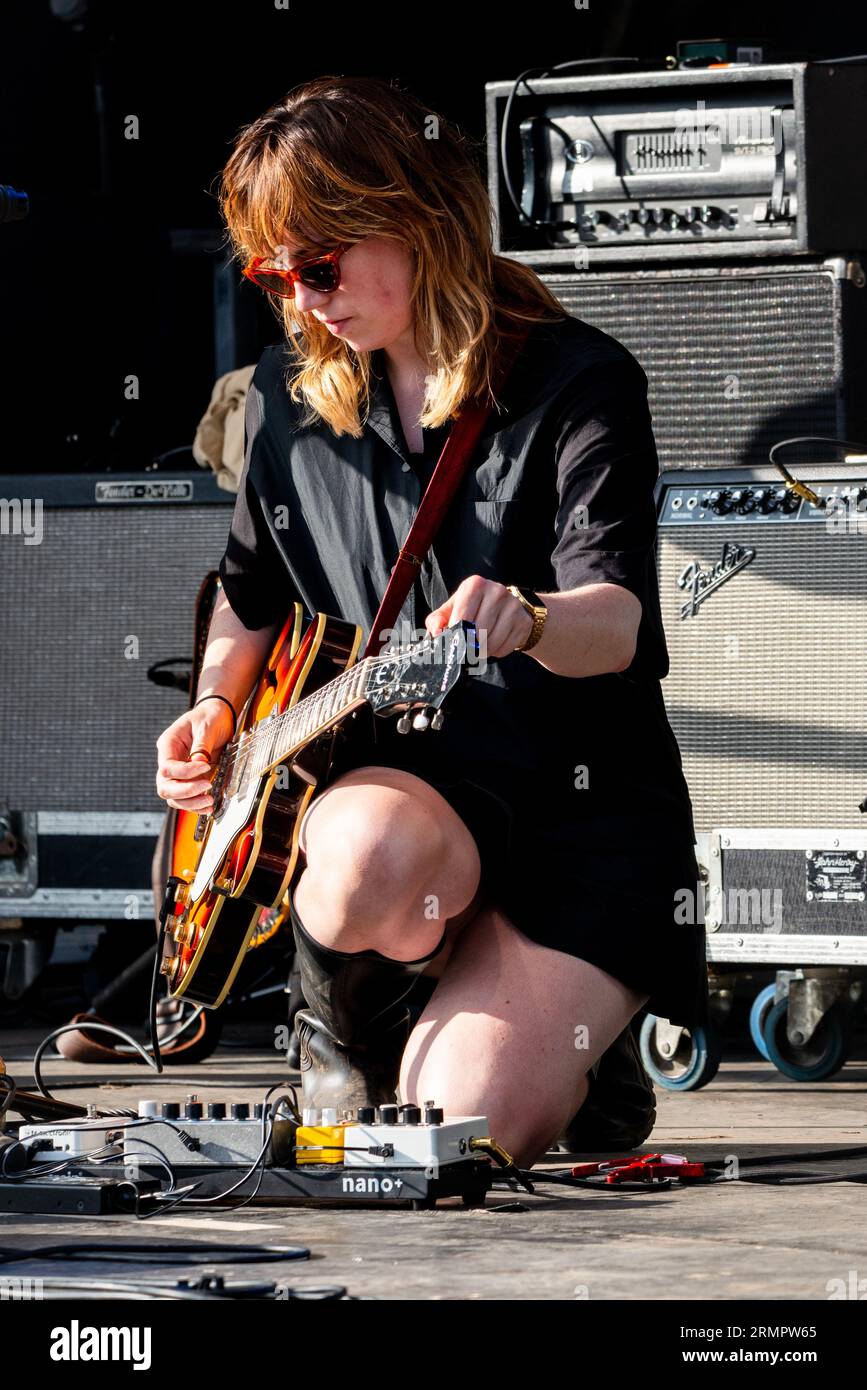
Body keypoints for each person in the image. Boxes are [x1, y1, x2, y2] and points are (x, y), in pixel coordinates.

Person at [154, 75, 708, 1169]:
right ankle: (352, 1016)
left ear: (416, 217)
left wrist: (532, 615)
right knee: (362, 855)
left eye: (322, 264)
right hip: (410, 800)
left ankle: (582, 1052)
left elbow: (620, 625)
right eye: (277, 275)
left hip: (575, 815)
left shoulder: (581, 380)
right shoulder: (286, 397)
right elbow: (247, 594)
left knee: (461, 1135)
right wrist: (215, 708)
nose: (304, 300)